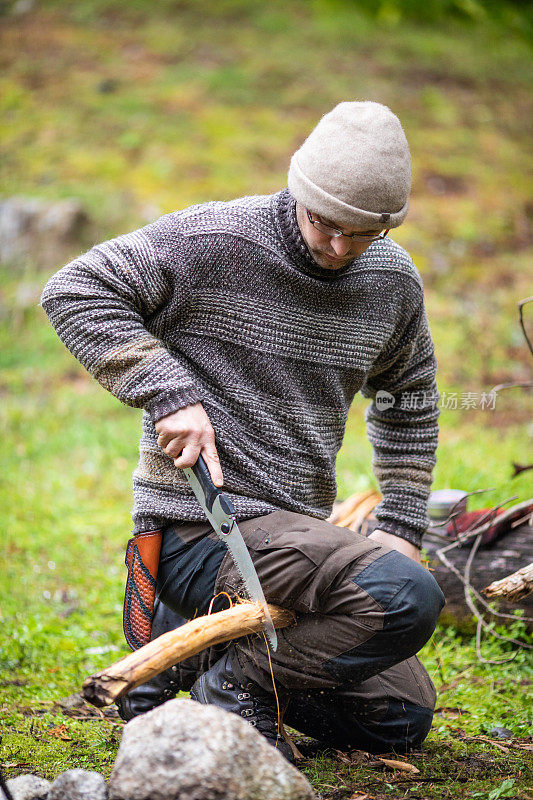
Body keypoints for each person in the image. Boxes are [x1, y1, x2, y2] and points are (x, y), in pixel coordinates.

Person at [41, 101, 445, 762]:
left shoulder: (390, 282)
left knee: (398, 718)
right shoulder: (212, 242)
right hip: (198, 529)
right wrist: (168, 394)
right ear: (297, 191)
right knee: (403, 598)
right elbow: (76, 288)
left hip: (293, 543)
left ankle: (204, 668)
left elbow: (409, 399)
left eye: (360, 234)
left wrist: (399, 523)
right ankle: (235, 689)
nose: (337, 247)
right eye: (323, 223)